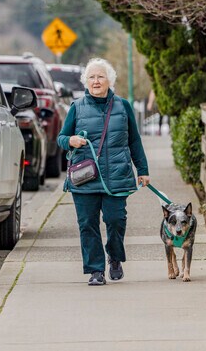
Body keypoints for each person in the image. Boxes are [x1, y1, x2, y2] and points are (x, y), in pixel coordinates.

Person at [57, 58, 150, 286]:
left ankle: (115, 257)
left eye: (100, 76)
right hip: (85, 178)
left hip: (116, 176)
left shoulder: (122, 106)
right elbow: (61, 139)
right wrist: (71, 140)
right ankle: (95, 270)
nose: (96, 81)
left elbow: (134, 141)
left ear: (110, 80)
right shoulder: (77, 107)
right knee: (87, 224)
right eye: (91, 77)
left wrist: (143, 169)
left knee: (116, 220)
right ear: (85, 82)